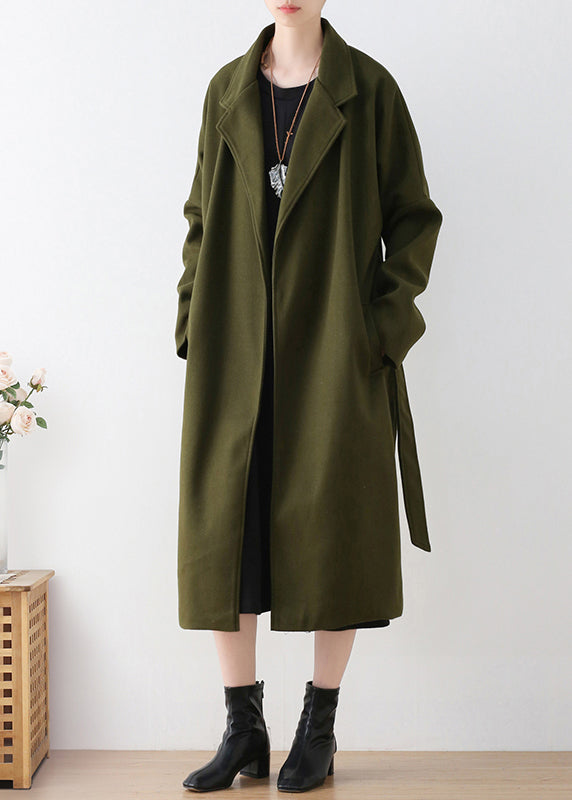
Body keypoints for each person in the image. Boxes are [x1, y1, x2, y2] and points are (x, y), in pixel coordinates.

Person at [177, 1, 443, 792]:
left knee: (334, 534)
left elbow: (415, 220)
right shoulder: (227, 91)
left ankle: (318, 729)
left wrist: (379, 332)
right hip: (236, 348)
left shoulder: (370, 91)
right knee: (226, 536)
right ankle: (242, 728)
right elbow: (200, 216)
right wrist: (194, 319)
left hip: (332, 352)